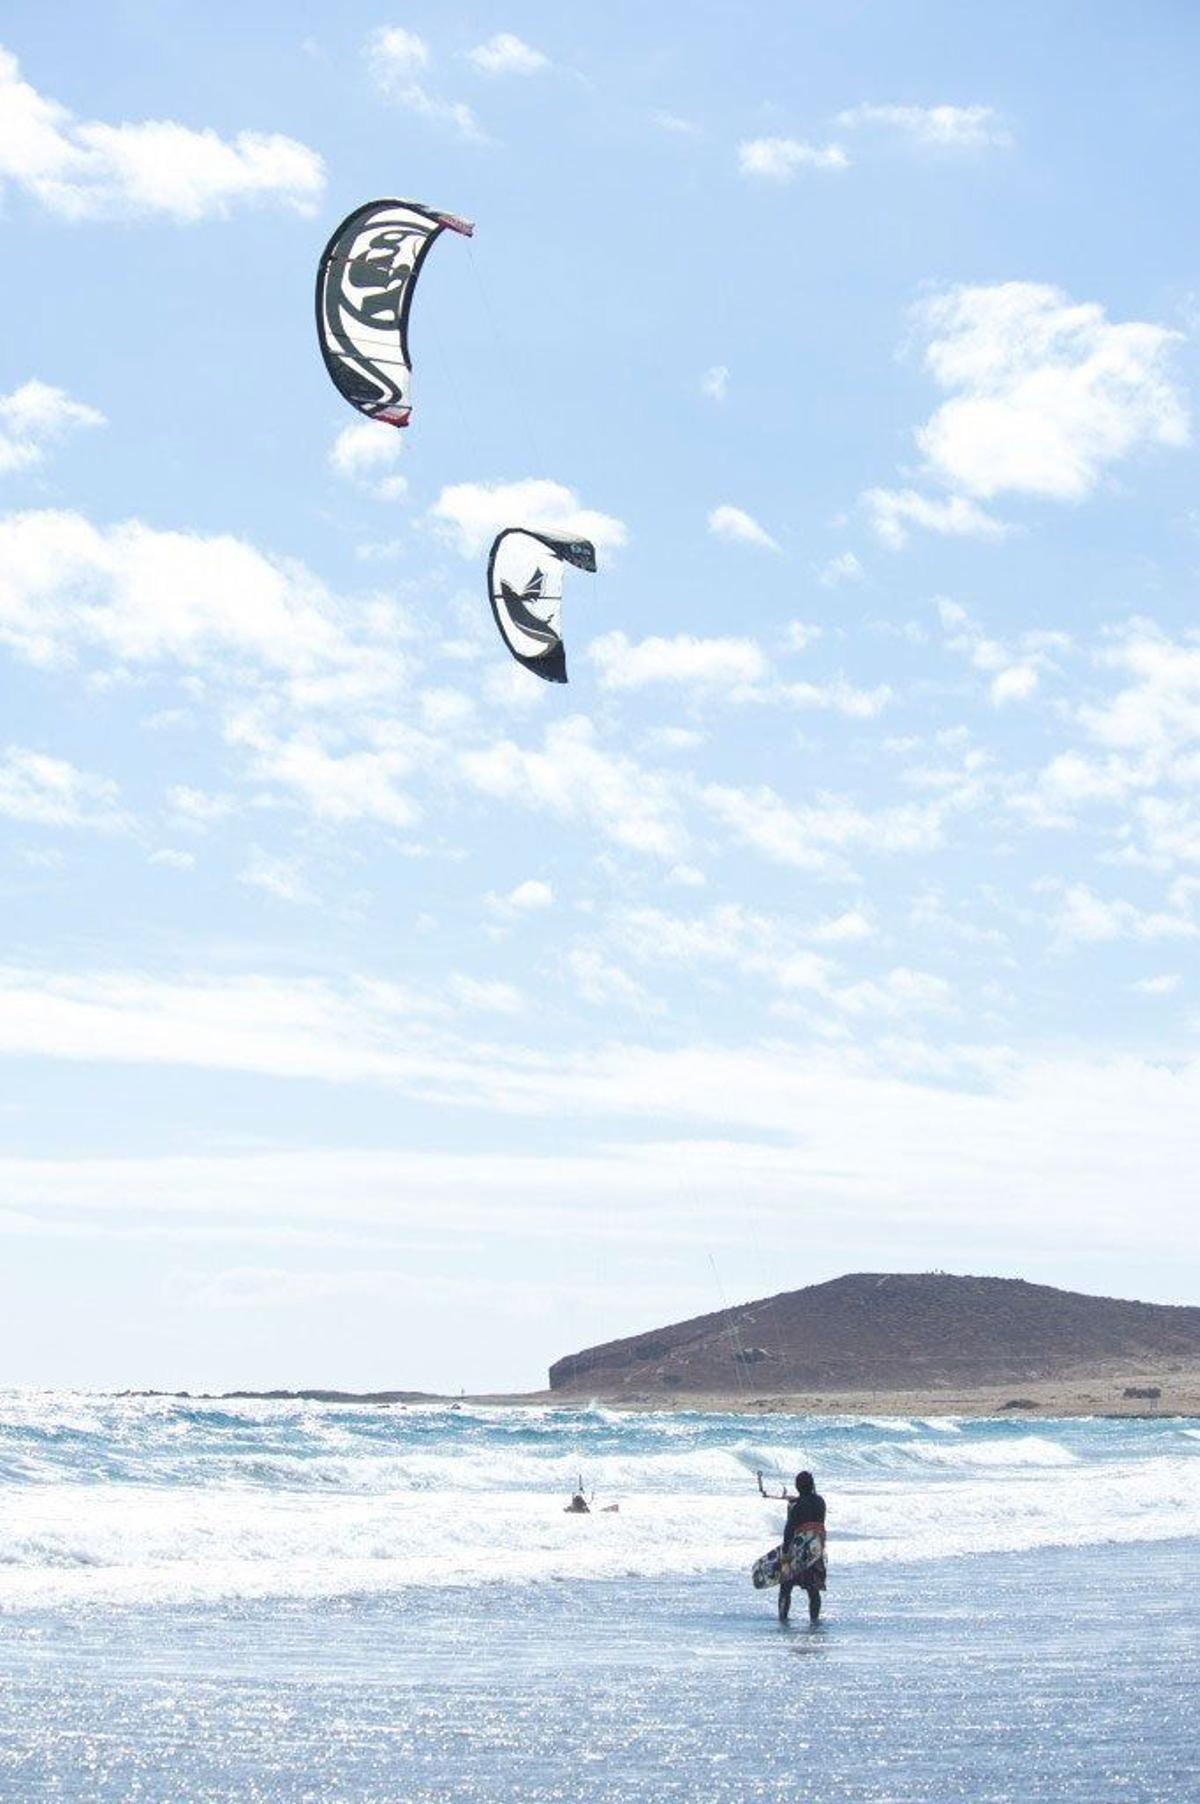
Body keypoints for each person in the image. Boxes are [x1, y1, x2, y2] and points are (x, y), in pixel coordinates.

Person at [759, 1469, 827, 1623]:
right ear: (812, 1485)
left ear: (797, 1486)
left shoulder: (797, 1506)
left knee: (785, 1588)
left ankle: (783, 1620)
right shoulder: (820, 1502)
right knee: (813, 1590)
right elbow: (809, 1503)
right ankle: (814, 1621)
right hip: (815, 1551)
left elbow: (789, 1530)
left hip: (797, 1553)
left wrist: (785, 1553)